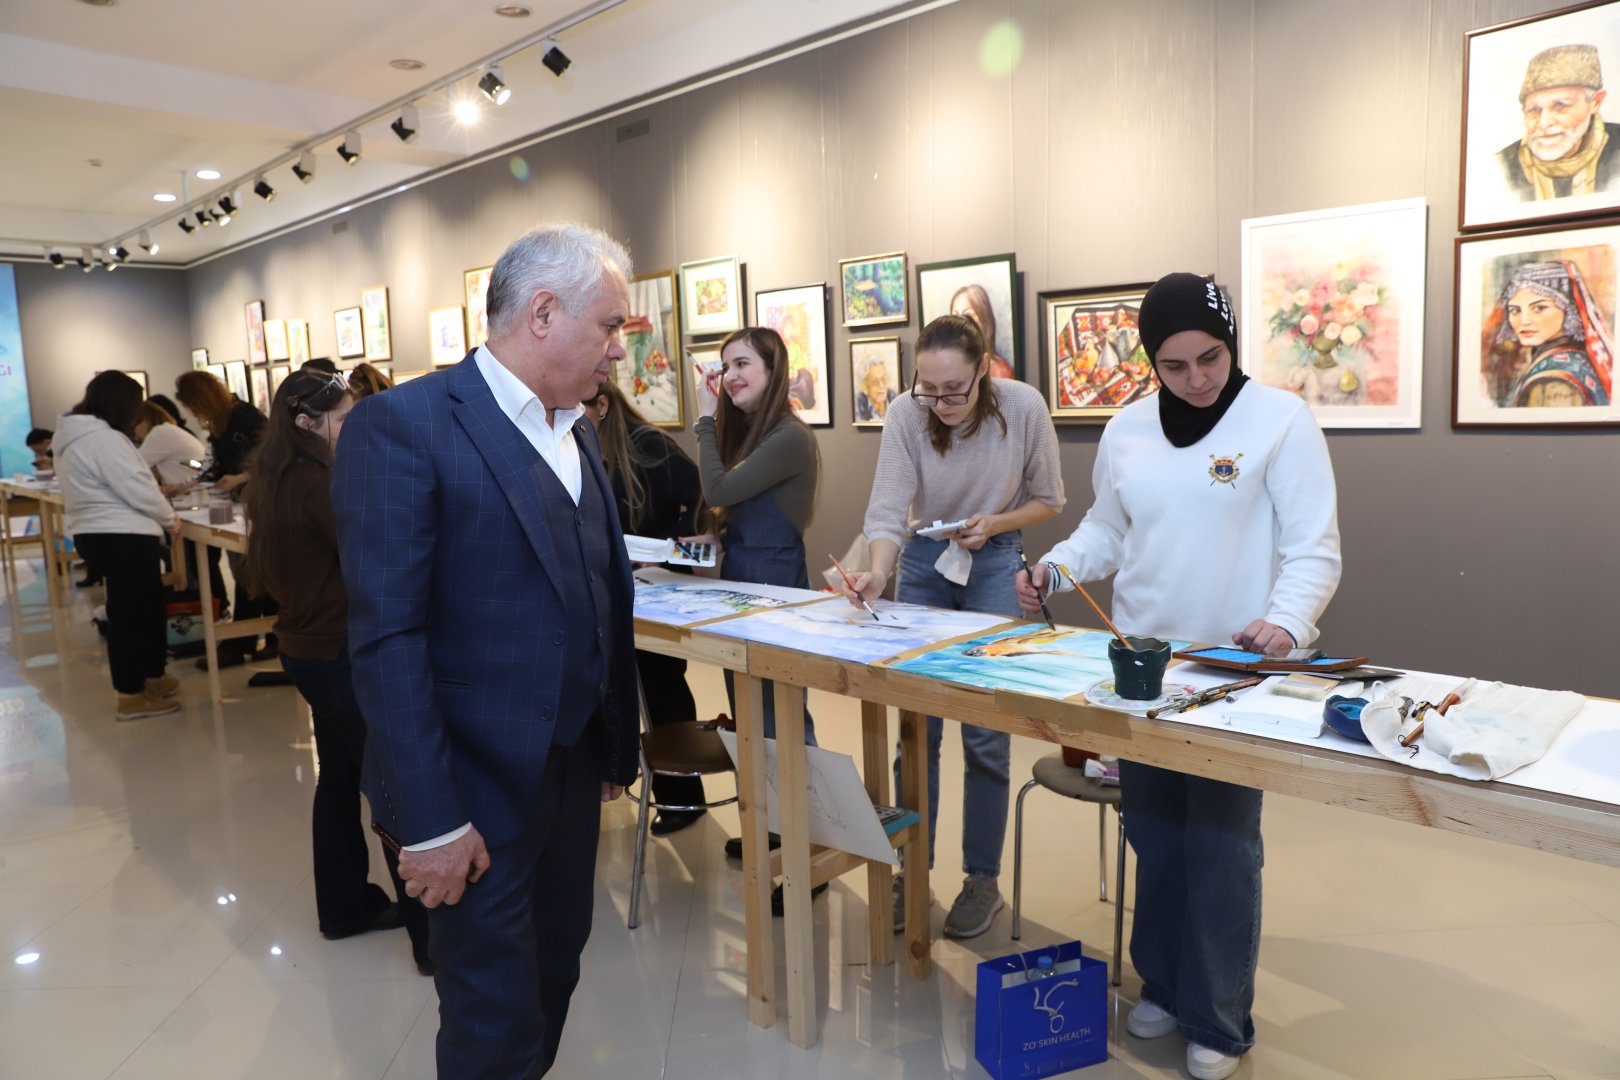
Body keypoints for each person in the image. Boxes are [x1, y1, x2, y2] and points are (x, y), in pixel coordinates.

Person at [333, 222, 641, 1079]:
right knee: (489, 1017)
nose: (619, 350)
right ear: (543, 313)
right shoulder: (406, 427)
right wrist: (428, 819)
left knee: (555, 970)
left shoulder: (575, 428)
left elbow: (592, 592)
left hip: (569, 768)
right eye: (610, 326)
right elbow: (388, 639)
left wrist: (612, 741)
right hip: (465, 790)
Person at [1017, 273, 1341, 1080]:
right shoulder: (1127, 431)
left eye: (1211, 358)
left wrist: (1289, 621)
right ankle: (1161, 981)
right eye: (1174, 364)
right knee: (1156, 836)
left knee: (1224, 848)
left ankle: (1222, 1020)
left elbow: (1313, 548)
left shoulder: (1281, 421)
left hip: (1236, 673)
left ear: (1232, 346)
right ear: (1150, 362)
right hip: (1145, 672)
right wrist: (1056, 566)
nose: (1196, 378)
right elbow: (1108, 529)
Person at [838, 314, 1064, 940]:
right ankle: (913, 870)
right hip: (925, 558)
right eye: (927, 389)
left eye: (954, 391)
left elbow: (1051, 499)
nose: (939, 404)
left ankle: (982, 880)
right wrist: (877, 572)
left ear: (984, 369)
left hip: (994, 558)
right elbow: (887, 508)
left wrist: (992, 524)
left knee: (985, 731)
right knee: (918, 728)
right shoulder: (908, 413)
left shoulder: (1022, 408)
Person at [242, 368, 431, 972]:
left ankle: (345, 906)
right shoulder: (318, 483)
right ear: (307, 424)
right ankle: (432, 940)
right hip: (338, 653)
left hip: (309, 648)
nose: (354, 429)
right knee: (395, 787)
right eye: (344, 420)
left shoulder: (278, 477)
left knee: (342, 776)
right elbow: (375, 550)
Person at [692, 326, 822, 865]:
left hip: (775, 597)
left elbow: (718, 489)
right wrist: (715, 537)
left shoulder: (789, 435)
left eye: (742, 364)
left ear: (774, 370)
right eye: (724, 368)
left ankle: (811, 844)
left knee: (783, 722)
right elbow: (737, 507)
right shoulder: (752, 434)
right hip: (742, 590)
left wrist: (703, 417)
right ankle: (772, 833)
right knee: (750, 718)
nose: (730, 377)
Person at [585, 379, 706, 835]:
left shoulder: (648, 445)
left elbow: (701, 499)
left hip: (659, 589)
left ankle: (681, 799)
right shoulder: (580, 446)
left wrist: (666, 548)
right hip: (615, 589)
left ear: (601, 405)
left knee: (663, 689)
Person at [54, 372, 181, 721]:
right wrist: (169, 517)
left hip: (97, 534)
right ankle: (131, 694)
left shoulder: (72, 438)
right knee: (132, 616)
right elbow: (137, 485)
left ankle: (153, 677)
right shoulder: (104, 439)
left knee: (147, 607)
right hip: (124, 535)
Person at [174, 370, 275, 661]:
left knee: (253, 569)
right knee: (247, 570)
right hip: (240, 502)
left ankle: (252, 639)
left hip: (258, 500)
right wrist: (187, 486)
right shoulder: (221, 425)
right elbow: (215, 466)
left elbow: (269, 457)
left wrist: (240, 478)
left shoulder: (246, 417)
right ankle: (248, 639)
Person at [1496, 44, 1620, 202]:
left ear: (1595, 103)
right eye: (1534, 110)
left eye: (1560, 105)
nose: (1544, 123)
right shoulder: (1501, 166)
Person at [1491, 260, 1614, 407]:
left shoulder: (1554, 378)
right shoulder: (1572, 358)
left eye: (1539, 308)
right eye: (1515, 310)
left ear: (1568, 308)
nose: (1524, 321)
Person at [950, 283, 1016, 379]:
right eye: (955, 316)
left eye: (967, 315)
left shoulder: (999, 371)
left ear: (985, 321)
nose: (960, 323)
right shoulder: (949, 365)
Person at [137, 401, 208, 487]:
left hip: (194, 494)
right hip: (196, 492)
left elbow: (133, 467)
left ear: (145, 421)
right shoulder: (169, 430)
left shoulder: (160, 432)